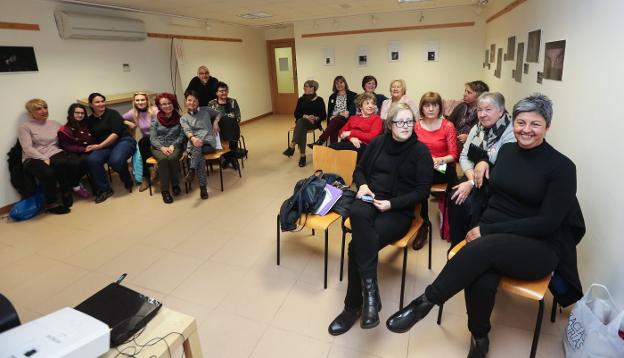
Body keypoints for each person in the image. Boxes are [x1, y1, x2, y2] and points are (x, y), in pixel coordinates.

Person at [386, 94, 583, 358]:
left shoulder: (562, 168)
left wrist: (487, 231)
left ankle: (426, 301)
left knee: (482, 249)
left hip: (537, 246)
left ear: (548, 126)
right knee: (480, 273)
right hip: (493, 233)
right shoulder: (507, 150)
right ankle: (479, 336)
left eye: (535, 124)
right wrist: (482, 164)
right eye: (520, 122)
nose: (525, 130)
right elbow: (495, 187)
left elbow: (547, 223)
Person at [327, 103, 432, 336]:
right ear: (390, 124)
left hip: (397, 210)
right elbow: (359, 171)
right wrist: (363, 185)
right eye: (399, 122)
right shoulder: (377, 143)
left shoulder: (421, 152)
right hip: (370, 198)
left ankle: (353, 306)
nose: (405, 126)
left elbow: (422, 192)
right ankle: (371, 294)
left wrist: (391, 204)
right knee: (356, 211)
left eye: (409, 121)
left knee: (356, 247)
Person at [447, 92, 516, 248]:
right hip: (473, 177)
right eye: (479, 110)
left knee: (471, 205)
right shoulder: (476, 128)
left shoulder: (510, 132)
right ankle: (456, 245)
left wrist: (472, 180)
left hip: (495, 183)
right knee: (455, 197)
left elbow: (499, 164)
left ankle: (473, 246)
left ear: (501, 110)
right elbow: (464, 156)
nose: (482, 115)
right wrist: (471, 180)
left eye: (488, 109)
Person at [414, 92, 458, 243]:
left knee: (420, 182)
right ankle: (422, 224)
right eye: (427, 105)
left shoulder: (448, 125)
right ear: (422, 108)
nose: (431, 109)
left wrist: (438, 160)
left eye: (435, 105)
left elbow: (453, 155)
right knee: (416, 179)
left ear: (440, 107)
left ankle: (423, 226)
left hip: (442, 167)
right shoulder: (417, 126)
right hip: (422, 167)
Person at [18, 99, 72, 214]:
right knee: (47, 173)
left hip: (54, 152)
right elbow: (27, 148)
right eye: (38, 109)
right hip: (33, 157)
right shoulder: (25, 127)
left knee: (62, 163)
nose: (43, 111)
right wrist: (44, 158)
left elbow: (67, 136)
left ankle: (66, 192)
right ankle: (51, 203)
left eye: (45, 107)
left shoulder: (54, 123)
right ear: (31, 113)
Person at [85, 93, 137, 203]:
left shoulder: (112, 113)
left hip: (123, 141)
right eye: (97, 102)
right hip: (105, 146)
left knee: (116, 161)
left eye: (102, 101)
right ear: (91, 104)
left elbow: (115, 134)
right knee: (92, 160)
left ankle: (127, 179)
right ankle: (105, 190)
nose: (101, 104)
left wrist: (99, 146)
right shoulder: (89, 120)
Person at [181, 90, 222, 200]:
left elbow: (219, 113)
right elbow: (186, 130)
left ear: (198, 102)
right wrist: (193, 138)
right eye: (189, 100)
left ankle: (192, 170)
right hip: (195, 144)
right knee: (199, 155)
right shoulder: (183, 118)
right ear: (185, 102)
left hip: (208, 142)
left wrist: (215, 122)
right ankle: (203, 187)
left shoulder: (206, 110)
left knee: (197, 149)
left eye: (195, 101)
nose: (192, 103)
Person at [282, 80, 326, 167]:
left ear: (313, 88)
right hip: (302, 123)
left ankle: (293, 146)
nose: (304, 88)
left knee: (300, 124)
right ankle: (302, 155)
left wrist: (316, 117)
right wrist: (305, 116)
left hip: (313, 123)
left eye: (306, 86)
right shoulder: (301, 100)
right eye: (304, 86)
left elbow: (323, 115)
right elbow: (296, 114)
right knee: (302, 124)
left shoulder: (319, 100)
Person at [151, 93, 185, 204]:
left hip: (174, 145)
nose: (167, 106)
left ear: (173, 104)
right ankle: (165, 191)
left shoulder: (180, 118)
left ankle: (175, 185)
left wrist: (173, 146)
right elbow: (153, 138)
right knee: (164, 159)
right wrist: (162, 148)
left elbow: (181, 135)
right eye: (163, 104)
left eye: (169, 103)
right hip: (158, 147)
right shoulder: (155, 120)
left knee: (172, 158)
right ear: (159, 106)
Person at [329, 93, 383, 161]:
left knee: (333, 148)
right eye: (367, 103)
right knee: (331, 149)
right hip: (349, 143)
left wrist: (350, 133)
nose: (370, 106)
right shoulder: (353, 118)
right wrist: (351, 138)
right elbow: (341, 132)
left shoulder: (377, 119)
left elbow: (372, 137)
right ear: (360, 106)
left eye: (373, 103)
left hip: (364, 146)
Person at [122, 92, 157, 191]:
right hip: (147, 140)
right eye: (137, 100)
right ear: (134, 102)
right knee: (142, 143)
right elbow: (118, 118)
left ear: (147, 100)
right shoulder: (133, 112)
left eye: (142, 99)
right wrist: (127, 122)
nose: (140, 102)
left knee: (142, 142)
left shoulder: (154, 110)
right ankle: (148, 173)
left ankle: (149, 173)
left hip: (160, 138)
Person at [58, 103, 94, 199]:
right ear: (71, 114)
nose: (80, 115)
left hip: (91, 149)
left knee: (87, 160)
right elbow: (66, 146)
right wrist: (82, 149)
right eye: (77, 113)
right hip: (74, 151)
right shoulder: (65, 129)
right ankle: (76, 185)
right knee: (74, 163)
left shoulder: (88, 123)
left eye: (82, 113)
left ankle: (76, 181)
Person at [308, 75, 356, 147]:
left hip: (347, 119)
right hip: (335, 119)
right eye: (337, 83)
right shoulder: (332, 96)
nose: (339, 85)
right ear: (334, 85)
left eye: (341, 82)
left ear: (345, 83)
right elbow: (330, 112)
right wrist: (330, 121)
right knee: (334, 127)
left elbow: (353, 111)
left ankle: (321, 141)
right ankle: (333, 148)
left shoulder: (352, 95)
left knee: (335, 121)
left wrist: (338, 115)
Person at [446, 81, 490, 153]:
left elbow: (485, 136)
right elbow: (449, 124)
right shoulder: (461, 106)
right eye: (465, 91)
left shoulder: (484, 113)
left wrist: (469, 138)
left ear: (479, 97)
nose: (464, 94)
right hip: (453, 141)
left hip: (471, 148)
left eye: (469, 93)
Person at [208, 81, 241, 169]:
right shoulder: (212, 104)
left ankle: (228, 159)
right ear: (216, 93)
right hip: (218, 130)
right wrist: (215, 123)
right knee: (223, 126)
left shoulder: (233, 102)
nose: (224, 92)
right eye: (221, 91)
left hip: (232, 128)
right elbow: (210, 118)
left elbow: (238, 117)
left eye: (226, 90)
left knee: (230, 124)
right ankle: (231, 158)